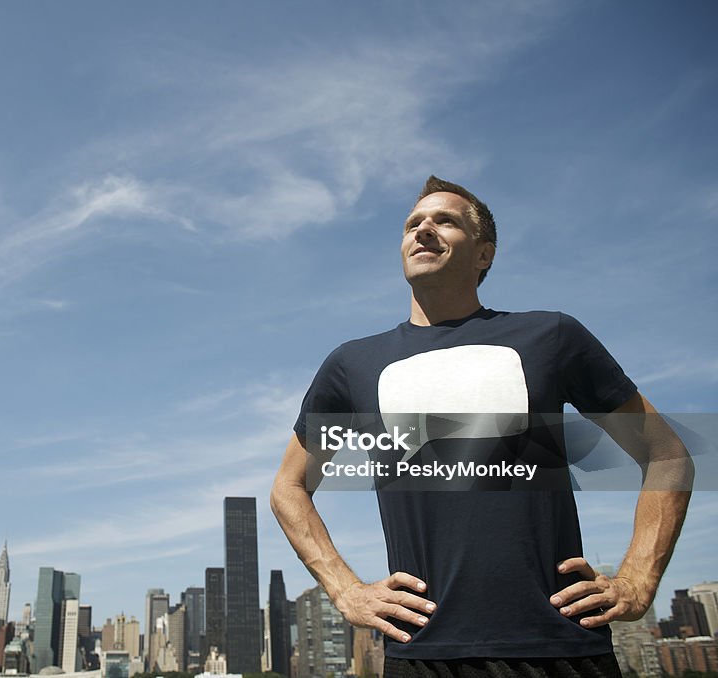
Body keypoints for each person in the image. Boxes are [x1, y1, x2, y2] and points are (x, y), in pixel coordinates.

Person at [270, 176, 693, 677]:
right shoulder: (352, 364)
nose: (423, 229)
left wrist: (638, 577)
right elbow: (289, 487)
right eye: (413, 224)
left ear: (484, 254)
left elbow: (667, 455)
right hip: (421, 648)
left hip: (561, 644)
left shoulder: (551, 335)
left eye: (445, 220)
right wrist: (346, 589)